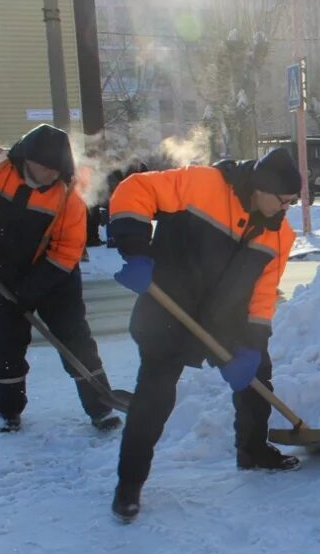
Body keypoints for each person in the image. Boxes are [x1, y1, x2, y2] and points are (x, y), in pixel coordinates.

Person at [108, 148, 302, 522]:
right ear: (262, 187)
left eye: (292, 203)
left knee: (258, 377)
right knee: (154, 397)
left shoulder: (280, 234)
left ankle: (253, 451)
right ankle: (128, 486)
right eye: (283, 201)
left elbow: (263, 296)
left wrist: (251, 344)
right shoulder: (203, 184)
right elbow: (135, 191)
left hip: (222, 322)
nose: (286, 209)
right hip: (168, 307)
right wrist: (135, 251)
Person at [0, 124, 123, 433]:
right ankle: (8, 411)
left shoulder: (68, 195)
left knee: (75, 340)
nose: (50, 176)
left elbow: (67, 251)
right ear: (27, 159)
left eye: (57, 170)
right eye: (46, 169)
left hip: (56, 278)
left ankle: (101, 407)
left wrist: (30, 290)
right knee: (6, 344)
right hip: (2, 272)